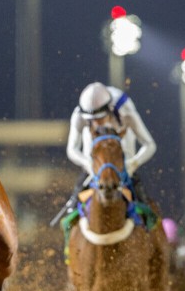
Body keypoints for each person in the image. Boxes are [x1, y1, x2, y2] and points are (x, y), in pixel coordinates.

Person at [61, 82, 158, 229]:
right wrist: (88, 164)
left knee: (146, 209)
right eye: (92, 120)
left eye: (100, 118)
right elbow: (72, 149)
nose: (96, 123)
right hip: (95, 165)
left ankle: (150, 230)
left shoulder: (125, 110)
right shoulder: (79, 115)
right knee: (70, 212)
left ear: (110, 109)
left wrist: (132, 163)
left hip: (123, 162)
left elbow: (149, 144)